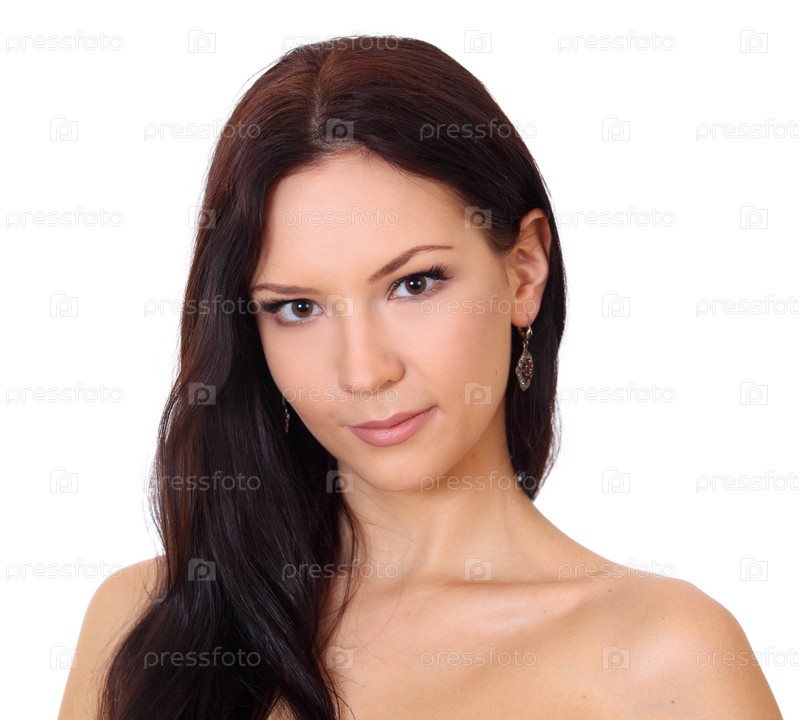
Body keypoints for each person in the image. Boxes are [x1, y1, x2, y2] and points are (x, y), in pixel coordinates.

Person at [58, 35, 783, 719]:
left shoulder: (667, 659)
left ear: (524, 271)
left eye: (414, 284)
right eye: (298, 307)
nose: (364, 371)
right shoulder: (145, 623)